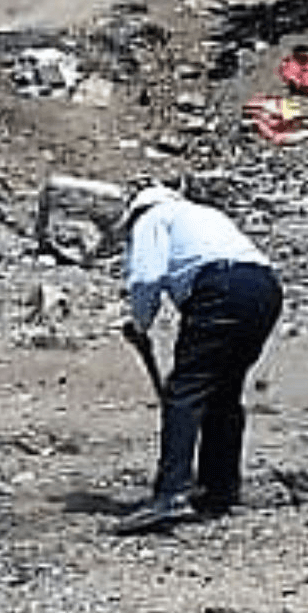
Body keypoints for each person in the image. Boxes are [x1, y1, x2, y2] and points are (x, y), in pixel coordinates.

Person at [113, 185, 283, 535]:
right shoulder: (202, 213)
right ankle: (219, 489)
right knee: (223, 392)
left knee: (184, 391)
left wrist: (140, 324)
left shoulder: (152, 218)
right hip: (264, 288)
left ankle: (172, 493)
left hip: (219, 287)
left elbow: (146, 277)